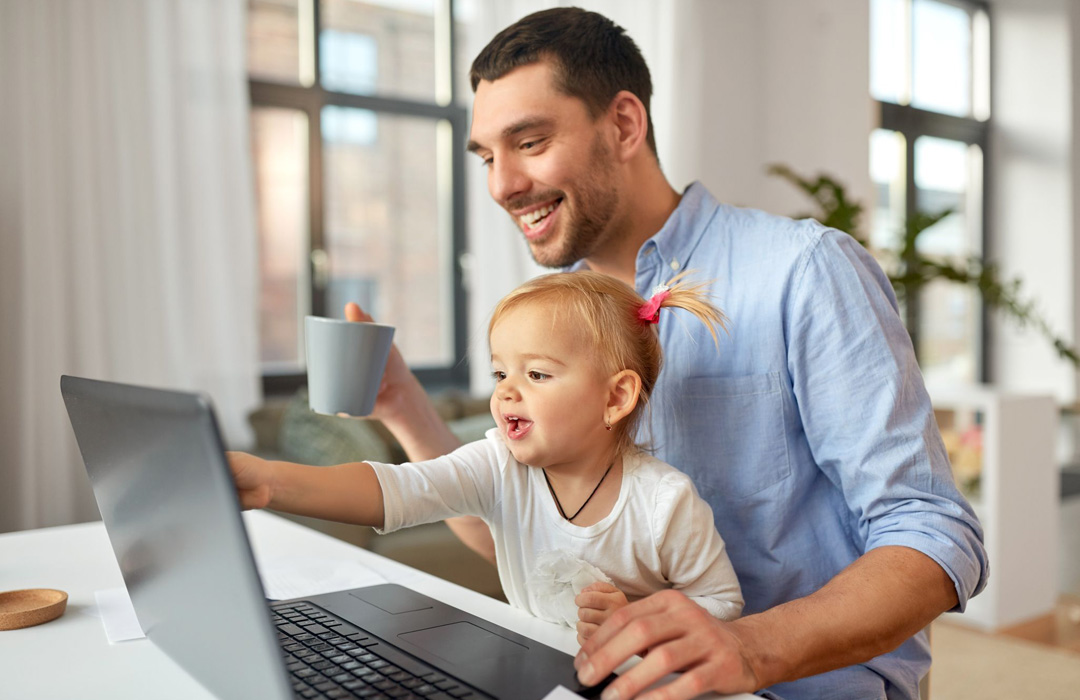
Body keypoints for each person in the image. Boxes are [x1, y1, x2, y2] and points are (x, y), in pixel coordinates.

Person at [346, 7, 989, 700]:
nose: (502, 184)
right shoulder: (555, 312)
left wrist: (748, 648)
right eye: (487, 157)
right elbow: (512, 520)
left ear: (624, 124)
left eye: (528, 142)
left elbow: (934, 535)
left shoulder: (802, 271)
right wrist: (402, 404)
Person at [230, 271, 745, 642]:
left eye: (536, 374)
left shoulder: (664, 502)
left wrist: (639, 615)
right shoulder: (499, 464)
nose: (506, 393)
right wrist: (270, 481)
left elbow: (724, 606)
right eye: (501, 374)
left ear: (615, 398)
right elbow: (396, 490)